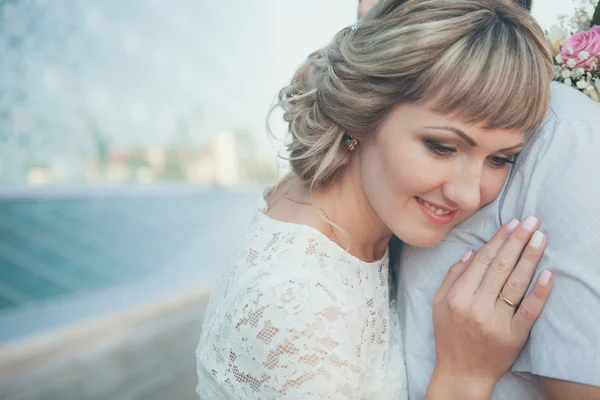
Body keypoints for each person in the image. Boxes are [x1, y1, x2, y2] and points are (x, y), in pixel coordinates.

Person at [195, 0, 555, 398]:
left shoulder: (337, 213)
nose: (469, 195)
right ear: (361, 111)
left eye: (500, 159)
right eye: (441, 146)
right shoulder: (297, 307)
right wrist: (464, 375)